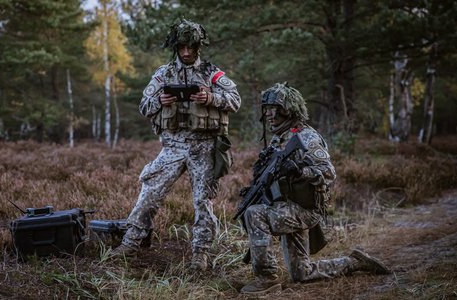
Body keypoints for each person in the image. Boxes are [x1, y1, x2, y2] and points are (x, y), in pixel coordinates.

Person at [110, 19, 241, 271]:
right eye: (181, 47)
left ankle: (199, 254)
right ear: (175, 47)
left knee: (203, 202)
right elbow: (144, 106)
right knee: (149, 193)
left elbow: (235, 100)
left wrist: (210, 97)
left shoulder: (212, 73)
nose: (186, 52)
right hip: (173, 146)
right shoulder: (163, 74)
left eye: (191, 47)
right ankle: (130, 243)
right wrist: (160, 99)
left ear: (198, 46)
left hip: (204, 146)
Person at [239, 82, 390, 295]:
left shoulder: (306, 137)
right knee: (302, 273)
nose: (270, 115)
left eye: (275, 110)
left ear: (289, 109)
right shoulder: (278, 138)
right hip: (286, 205)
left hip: (305, 208)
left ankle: (266, 278)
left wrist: (301, 172)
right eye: (267, 110)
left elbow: (329, 173)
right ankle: (354, 262)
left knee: (254, 214)